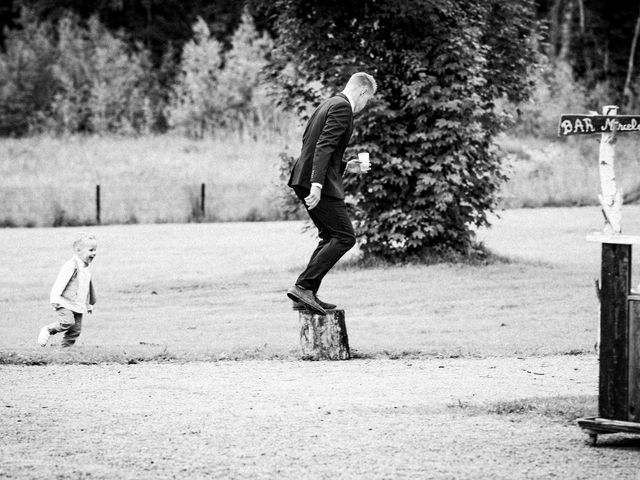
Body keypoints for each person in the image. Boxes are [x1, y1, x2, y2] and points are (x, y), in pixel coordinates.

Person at [286, 72, 377, 315]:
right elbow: (323, 147)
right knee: (345, 237)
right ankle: (304, 287)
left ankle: (306, 293)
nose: (364, 105)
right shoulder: (342, 108)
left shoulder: (327, 104)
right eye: (368, 100)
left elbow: (316, 145)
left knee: (329, 235)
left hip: (304, 177)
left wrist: (348, 166)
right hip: (317, 182)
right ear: (362, 92)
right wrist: (317, 184)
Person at [38, 232, 98, 347]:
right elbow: (60, 282)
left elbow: (86, 288)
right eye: (91, 250)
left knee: (75, 330)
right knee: (67, 322)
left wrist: (88, 304)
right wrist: (55, 298)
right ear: (78, 250)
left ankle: (63, 352)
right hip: (64, 302)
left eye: (95, 250)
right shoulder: (71, 265)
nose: (94, 253)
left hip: (78, 305)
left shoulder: (86, 268)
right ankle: (48, 329)